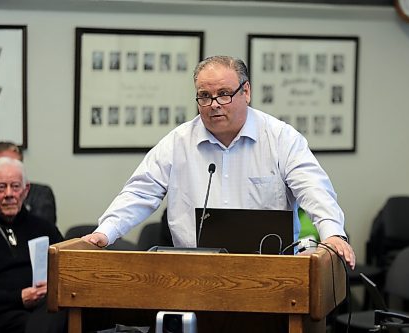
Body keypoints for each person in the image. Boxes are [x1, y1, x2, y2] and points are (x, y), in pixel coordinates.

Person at [83, 55, 355, 269]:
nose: (214, 104)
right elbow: (140, 191)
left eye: (224, 93)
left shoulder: (280, 138)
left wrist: (332, 233)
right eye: (204, 95)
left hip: (271, 273)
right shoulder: (178, 142)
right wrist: (105, 232)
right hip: (195, 273)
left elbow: (314, 189)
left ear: (245, 91)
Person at [0, 157, 66, 333]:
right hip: (1, 312)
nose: (9, 194)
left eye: (15, 186)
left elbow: (67, 271)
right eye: (1, 187)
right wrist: (19, 297)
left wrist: (52, 287)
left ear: (26, 190)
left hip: (45, 307)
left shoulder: (45, 228)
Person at [0, 141, 57, 225]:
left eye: (16, 164)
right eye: (2, 164)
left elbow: (43, 228)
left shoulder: (41, 194)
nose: (9, 193)